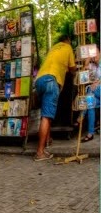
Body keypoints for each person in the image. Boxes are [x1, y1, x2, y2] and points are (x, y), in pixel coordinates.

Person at [33, 33, 77, 161]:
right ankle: (40, 152)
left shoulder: (53, 48)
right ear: (67, 40)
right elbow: (72, 68)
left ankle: (47, 140)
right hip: (52, 81)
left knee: (46, 114)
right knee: (47, 116)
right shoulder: (67, 47)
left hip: (40, 80)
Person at [80, 56, 100, 142]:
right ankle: (90, 133)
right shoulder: (92, 66)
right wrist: (86, 64)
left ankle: (81, 115)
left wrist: (98, 82)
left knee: (90, 90)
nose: (93, 55)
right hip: (95, 94)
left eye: (95, 53)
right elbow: (82, 79)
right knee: (89, 102)